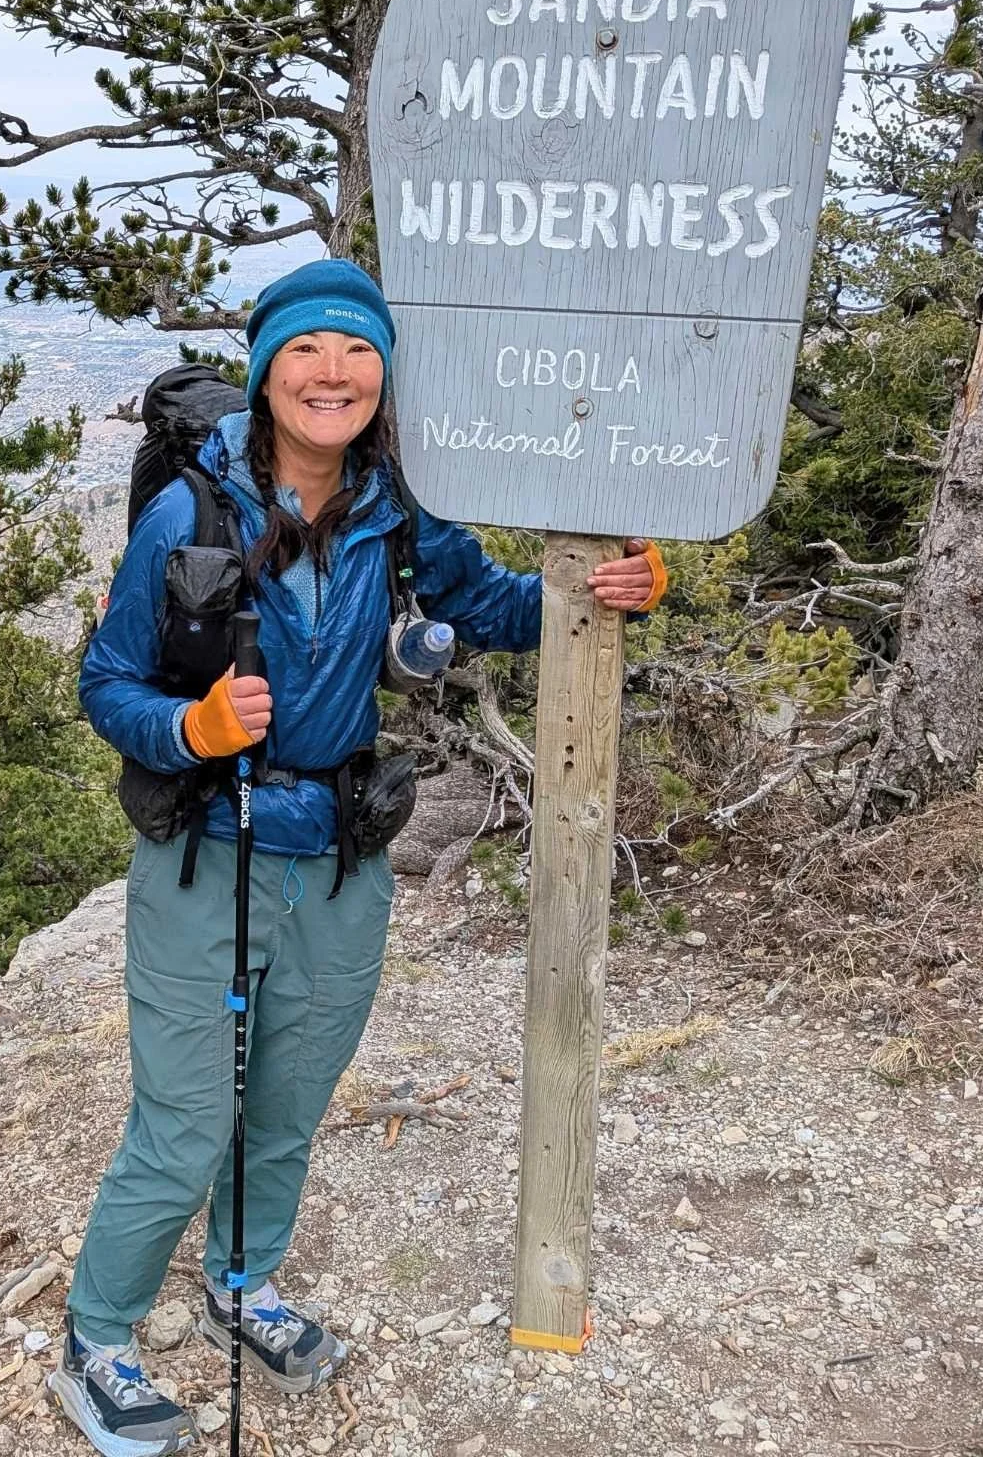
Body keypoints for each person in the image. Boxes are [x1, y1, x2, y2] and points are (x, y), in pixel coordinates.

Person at [48, 258, 667, 1457]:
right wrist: (195, 729)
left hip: (341, 861)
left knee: (284, 1104)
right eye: (305, 351)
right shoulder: (193, 514)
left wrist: (609, 588)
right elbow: (105, 680)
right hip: (209, 856)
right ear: (267, 370)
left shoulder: (399, 504)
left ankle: (242, 1281)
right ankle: (98, 1334)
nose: (331, 372)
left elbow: (488, 605)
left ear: (382, 374)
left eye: (355, 350)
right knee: (185, 1116)